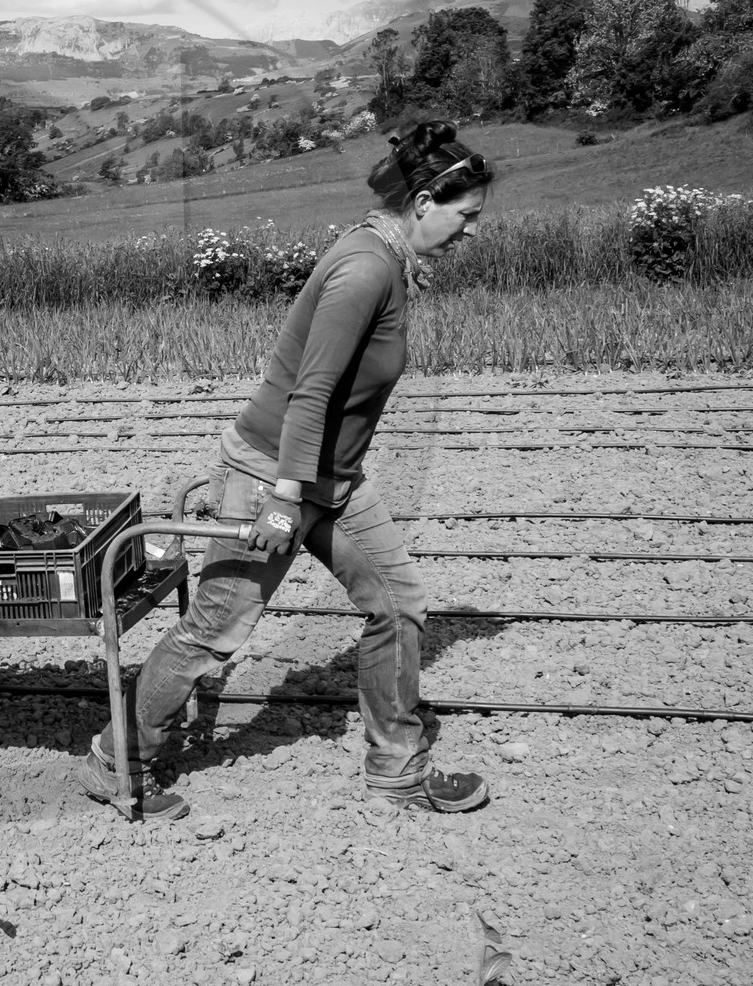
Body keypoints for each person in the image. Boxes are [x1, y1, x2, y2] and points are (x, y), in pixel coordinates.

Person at [81, 120, 496, 819]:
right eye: (467, 215)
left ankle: (398, 767)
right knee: (215, 632)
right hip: (273, 476)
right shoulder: (366, 269)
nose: (474, 231)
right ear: (423, 202)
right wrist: (282, 500)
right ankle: (115, 760)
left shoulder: (388, 259)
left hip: (329, 480)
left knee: (398, 607)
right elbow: (311, 391)